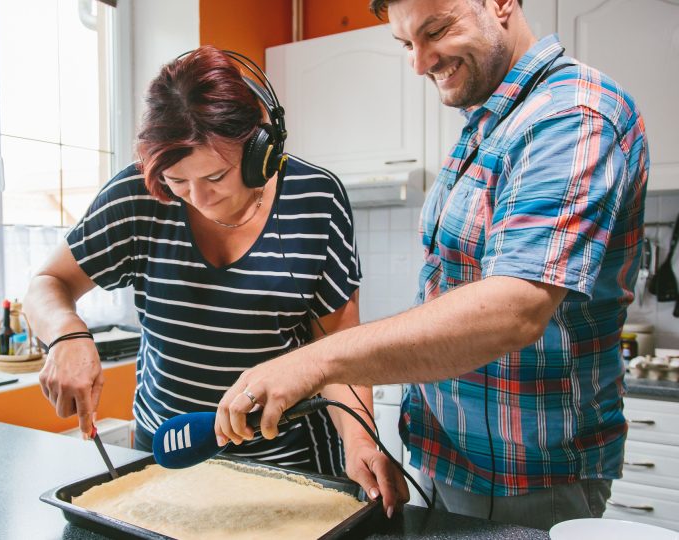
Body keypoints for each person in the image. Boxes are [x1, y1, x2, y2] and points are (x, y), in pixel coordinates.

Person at [215, 0, 649, 530]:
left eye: (436, 30)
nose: (420, 63)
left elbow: (512, 310)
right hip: (458, 466)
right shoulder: (489, 120)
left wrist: (310, 363)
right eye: (405, 44)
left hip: (527, 479)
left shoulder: (570, 115)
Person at [23, 46, 409, 512]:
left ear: (261, 148)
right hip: (166, 459)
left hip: (290, 469)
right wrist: (65, 336)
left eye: (216, 176)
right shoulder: (138, 194)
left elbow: (338, 350)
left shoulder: (316, 198)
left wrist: (360, 440)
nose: (197, 198)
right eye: (177, 181)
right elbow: (47, 283)